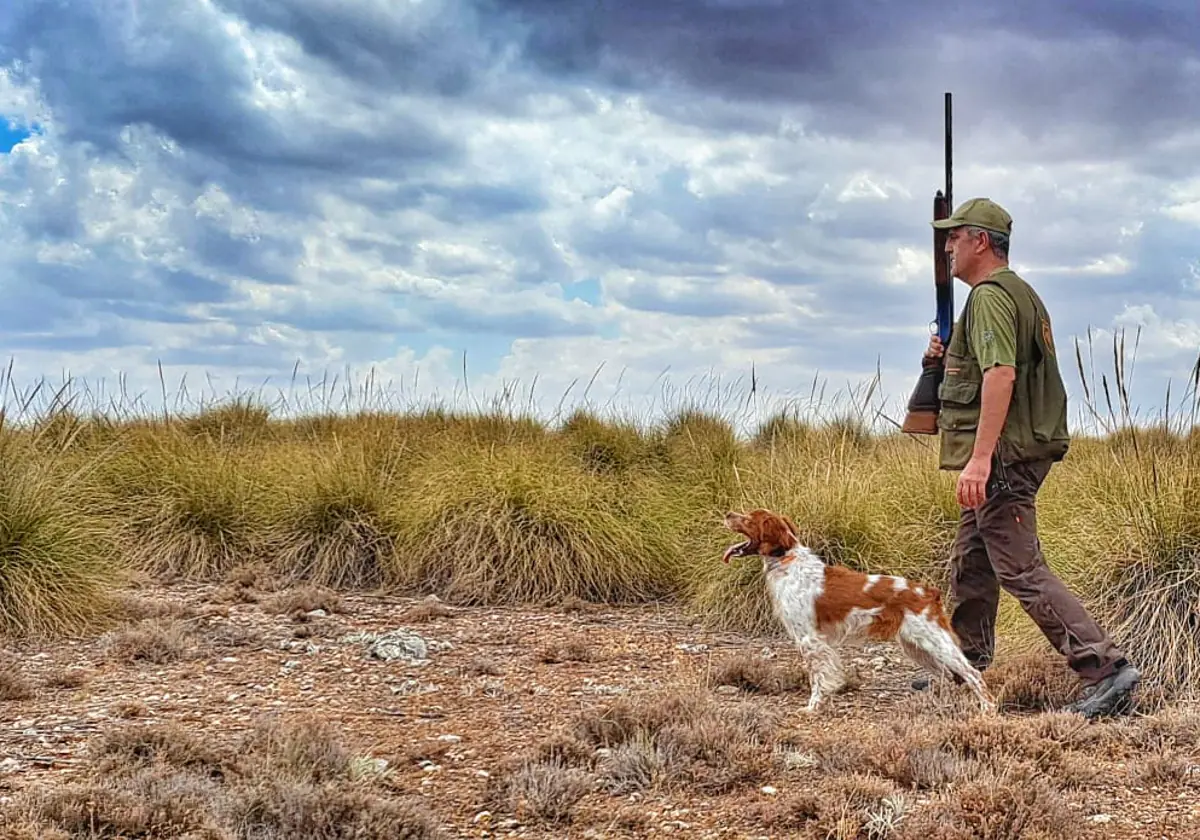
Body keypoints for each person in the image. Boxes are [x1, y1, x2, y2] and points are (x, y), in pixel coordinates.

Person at [911, 197, 1140, 719]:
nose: (947, 246)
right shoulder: (1020, 295)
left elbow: (1001, 376)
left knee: (1020, 568)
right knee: (972, 560)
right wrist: (947, 357)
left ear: (981, 242)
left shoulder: (991, 297)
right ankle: (964, 664)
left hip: (1005, 456)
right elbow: (990, 367)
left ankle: (1104, 667)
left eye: (955, 236)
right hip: (1013, 449)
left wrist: (980, 459)